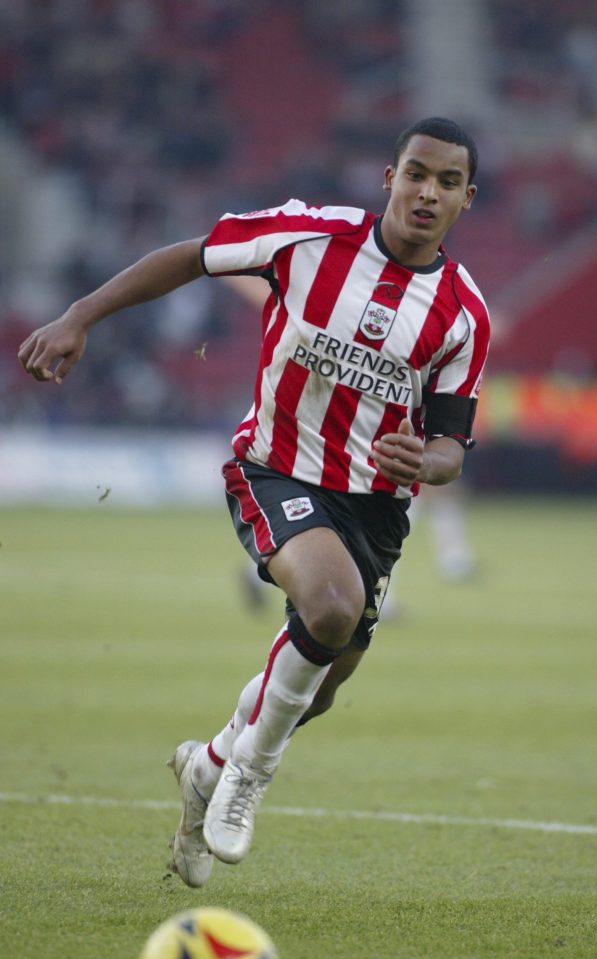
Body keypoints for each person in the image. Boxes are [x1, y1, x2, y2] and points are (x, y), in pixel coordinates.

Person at [18, 116, 490, 888]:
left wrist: (427, 462)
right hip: (274, 470)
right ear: (388, 177)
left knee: (323, 684)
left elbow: (451, 442)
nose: (426, 192)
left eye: (445, 182)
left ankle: (208, 764)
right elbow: (190, 256)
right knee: (331, 608)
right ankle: (248, 776)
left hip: (375, 508)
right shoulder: (307, 236)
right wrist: (79, 317)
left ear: (467, 199)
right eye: (415, 173)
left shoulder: (465, 315)